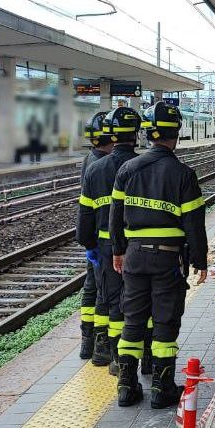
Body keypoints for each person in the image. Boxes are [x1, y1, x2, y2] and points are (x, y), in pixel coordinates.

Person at [110, 101, 208, 409]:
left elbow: (115, 215)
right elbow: (194, 222)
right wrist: (200, 260)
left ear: (148, 134)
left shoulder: (127, 169)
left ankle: (126, 386)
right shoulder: (183, 174)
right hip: (167, 258)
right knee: (165, 321)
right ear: (176, 133)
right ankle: (162, 388)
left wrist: (118, 251)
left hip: (134, 257)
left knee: (133, 319)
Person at [77, 107, 143, 376]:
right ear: (137, 134)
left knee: (107, 299)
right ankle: (141, 359)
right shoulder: (141, 167)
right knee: (138, 301)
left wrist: (88, 244)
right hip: (135, 247)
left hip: (104, 248)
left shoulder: (94, 168)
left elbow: (85, 213)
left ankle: (103, 350)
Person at [76, 111, 111, 361]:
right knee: (102, 290)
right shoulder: (101, 165)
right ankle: (100, 344)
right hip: (104, 238)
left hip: (94, 238)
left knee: (91, 288)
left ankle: (87, 341)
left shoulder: (90, 159)